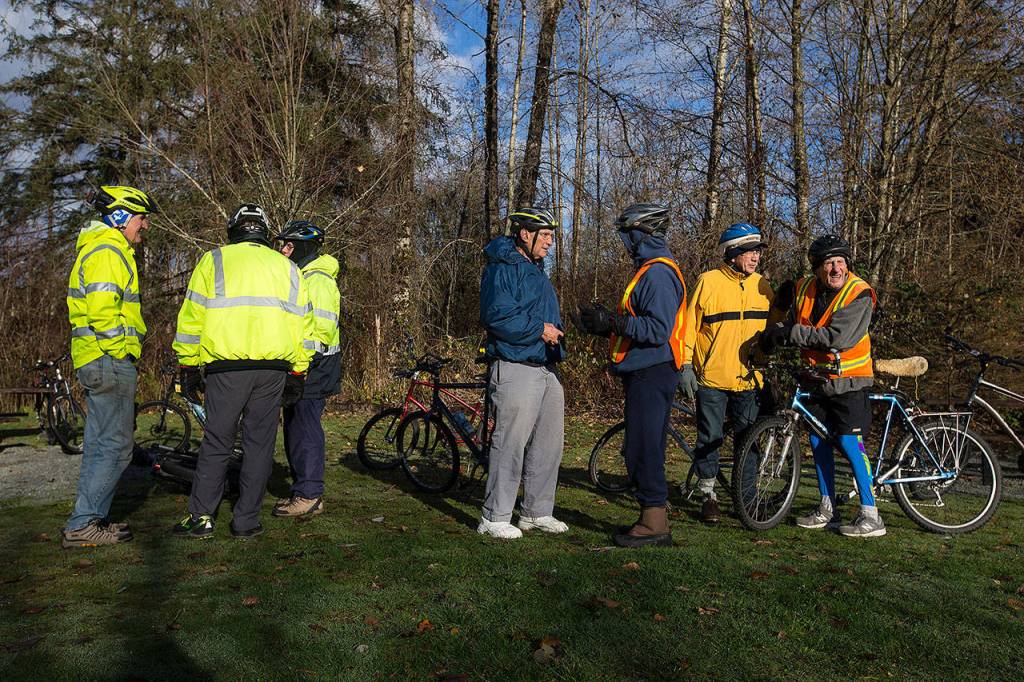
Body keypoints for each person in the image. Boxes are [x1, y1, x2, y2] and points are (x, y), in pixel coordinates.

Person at [171, 204, 314, 539]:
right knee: (260, 444)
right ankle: (246, 520)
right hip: (274, 369)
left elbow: (192, 318)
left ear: (233, 229)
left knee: (217, 441)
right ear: (264, 232)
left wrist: (188, 365)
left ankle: (202, 517)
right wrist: (298, 372)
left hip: (226, 369)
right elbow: (303, 327)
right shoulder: (288, 268)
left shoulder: (214, 260)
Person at [575, 203, 686, 548]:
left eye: (627, 234)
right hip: (645, 370)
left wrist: (614, 322)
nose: (624, 241)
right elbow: (637, 326)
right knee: (640, 443)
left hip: (653, 371)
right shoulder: (648, 270)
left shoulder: (657, 272)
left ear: (641, 234)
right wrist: (603, 325)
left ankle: (655, 522)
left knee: (644, 445)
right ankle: (651, 516)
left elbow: (656, 328)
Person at [759, 234, 883, 537]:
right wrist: (773, 322)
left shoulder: (859, 293)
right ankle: (827, 507)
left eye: (841, 262)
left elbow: (836, 339)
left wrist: (789, 333)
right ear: (817, 268)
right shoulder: (804, 287)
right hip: (815, 379)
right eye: (829, 263)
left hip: (849, 380)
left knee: (850, 443)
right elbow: (780, 311)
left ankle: (872, 514)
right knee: (817, 443)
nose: (836, 268)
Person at [62, 185, 156, 548]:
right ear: (120, 217)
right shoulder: (108, 250)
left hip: (96, 358)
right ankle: (84, 522)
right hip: (108, 359)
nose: (144, 226)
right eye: (141, 217)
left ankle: (87, 519)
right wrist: (121, 352)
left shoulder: (100, 247)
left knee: (99, 444)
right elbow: (103, 311)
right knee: (117, 447)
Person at [477, 207, 567, 540]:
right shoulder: (503, 267)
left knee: (549, 444)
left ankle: (536, 512)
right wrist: (539, 330)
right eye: (544, 235)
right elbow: (497, 317)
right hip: (515, 365)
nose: (549, 243)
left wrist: (555, 332)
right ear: (524, 234)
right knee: (510, 442)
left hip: (545, 367)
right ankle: (494, 516)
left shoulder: (536, 268)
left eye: (551, 236)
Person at [680, 223, 776, 523]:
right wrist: (684, 365)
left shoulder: (763, 286)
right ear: (733, 253)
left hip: (750, 380)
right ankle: (708, 495)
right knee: (710, 438)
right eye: (750, 251)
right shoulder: (708, 282)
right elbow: (689, 326)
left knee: (749, 441)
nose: (755, 257)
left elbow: (775, 328)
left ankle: (747, 500)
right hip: (712, 379)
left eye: (757, 251)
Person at [271, 221, 341, 518]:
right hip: (303, 365)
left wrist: (300, 365)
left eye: (288, 245)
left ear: (303, 247)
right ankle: (304, 489)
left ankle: (309, 494)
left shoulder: (318, 280)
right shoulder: (303, 276)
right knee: (295, 424)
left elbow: (319, 333)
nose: (283, 250)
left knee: (305, 428)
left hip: (315, 366)